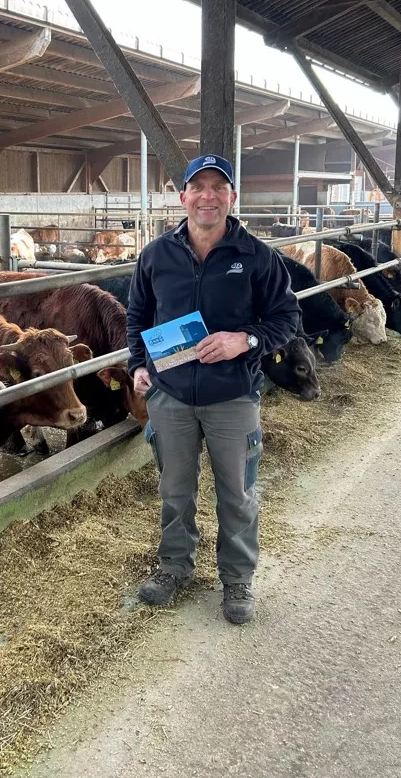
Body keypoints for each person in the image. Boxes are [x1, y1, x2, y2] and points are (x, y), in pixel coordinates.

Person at [127, 153, 300, 623]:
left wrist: (245, 340)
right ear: (182, 197)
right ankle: (174, 566)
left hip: (233, 395)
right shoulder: (156, 255)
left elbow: (287, 318)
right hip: (170, 395)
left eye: (218, 187)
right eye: (198, 187)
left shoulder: (258, 257)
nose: (208, 196)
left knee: (237, 493)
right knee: (174, 489)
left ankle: (237, 578)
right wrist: (138, 364)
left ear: (232, 197)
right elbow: (138, 315)